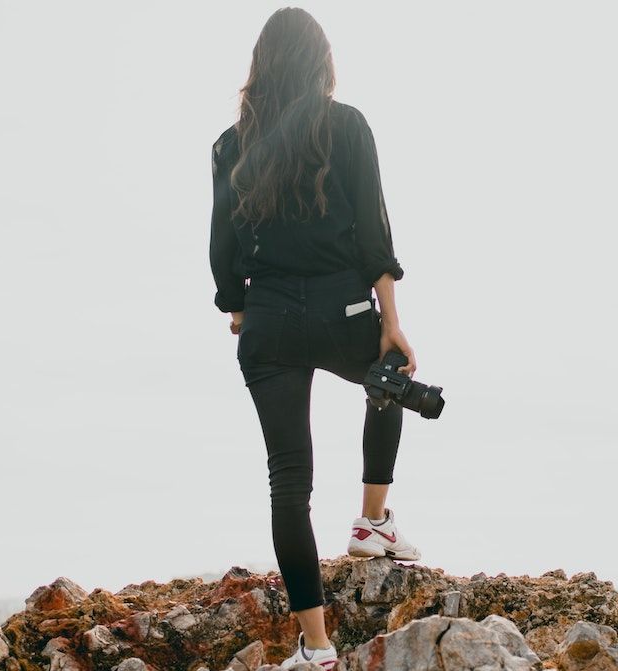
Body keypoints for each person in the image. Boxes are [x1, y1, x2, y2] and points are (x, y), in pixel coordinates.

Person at [208, 8, 423, 670]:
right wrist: (390, 321)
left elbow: (222, 249)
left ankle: (319, 647)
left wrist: (239, 309)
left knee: (287, 482)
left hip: (269, 318)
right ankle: (372, 520)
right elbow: (372, 236)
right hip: (342, 310)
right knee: (389, 379)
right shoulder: (347, 125)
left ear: (261, 65)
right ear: (320, 63)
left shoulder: (229, 144)